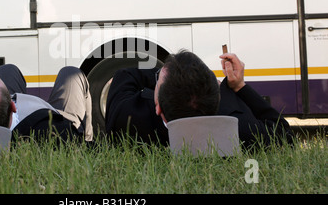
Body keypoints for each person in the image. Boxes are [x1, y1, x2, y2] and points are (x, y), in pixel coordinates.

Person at [106, 49, 294, 149]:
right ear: (217, 97)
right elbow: (284, 135)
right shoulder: (240, 130)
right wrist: (239, 87)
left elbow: (125, 75)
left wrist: (166, 75)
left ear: (158, 108)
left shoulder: (128, 119)